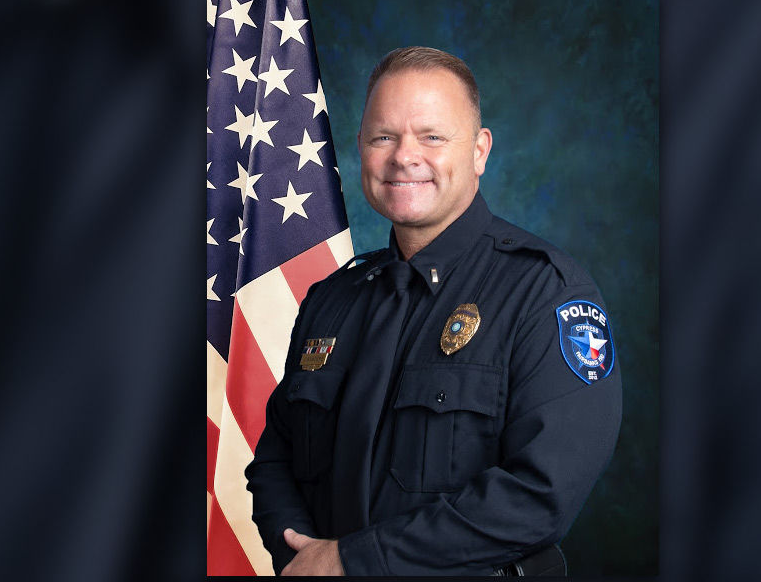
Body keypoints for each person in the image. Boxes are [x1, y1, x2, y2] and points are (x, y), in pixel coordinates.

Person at [244, 46, 622, 576]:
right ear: (360, 148)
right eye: (383, 137)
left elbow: (539, 495)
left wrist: (352, 563)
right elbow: (275, 459)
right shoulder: (332, 299)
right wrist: (300, 558)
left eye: (432, 137)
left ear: (479, 151)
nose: (404, 157)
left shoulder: (544, 294)